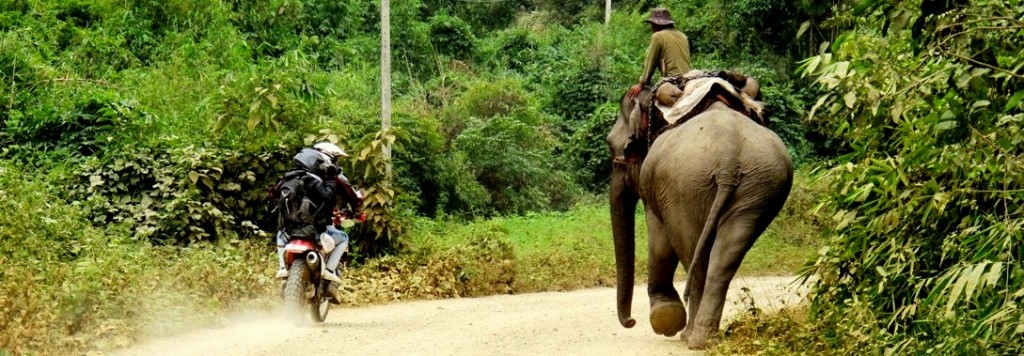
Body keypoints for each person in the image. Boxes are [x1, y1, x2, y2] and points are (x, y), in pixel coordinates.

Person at [274, 142, 364, 303]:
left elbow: (273, 193)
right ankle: (330, 276)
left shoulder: (292, 176)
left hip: (289, 229)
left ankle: (283, 269)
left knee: (280, 236)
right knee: (343, 238)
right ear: (329, 158)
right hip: (316, 229)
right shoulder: (333, 178)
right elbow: (353, 198)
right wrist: (358, 214)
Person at [626, 7, 692, 101]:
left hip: (673, 82)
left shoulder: (658, 36)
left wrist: (641, 84)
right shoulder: (683, 36)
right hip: (689, 79)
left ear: (655, 25)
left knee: (645, 103)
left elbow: (651, 62)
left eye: (652, 25)